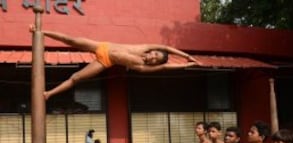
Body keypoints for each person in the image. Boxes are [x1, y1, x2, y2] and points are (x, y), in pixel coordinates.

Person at [29, 24, 200, 100]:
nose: (153, 57)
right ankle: (42, 32)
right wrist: (187, 56)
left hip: (105, 61)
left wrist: (186, 65)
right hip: (102, 46)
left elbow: (167, 67)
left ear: (154, 63)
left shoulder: (141, 66)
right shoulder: (144, 47)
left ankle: (48, 94)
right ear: (153, 51)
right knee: (71, 40)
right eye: (155, 54)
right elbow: (167, 48)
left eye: (155, 60)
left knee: (76, 78)